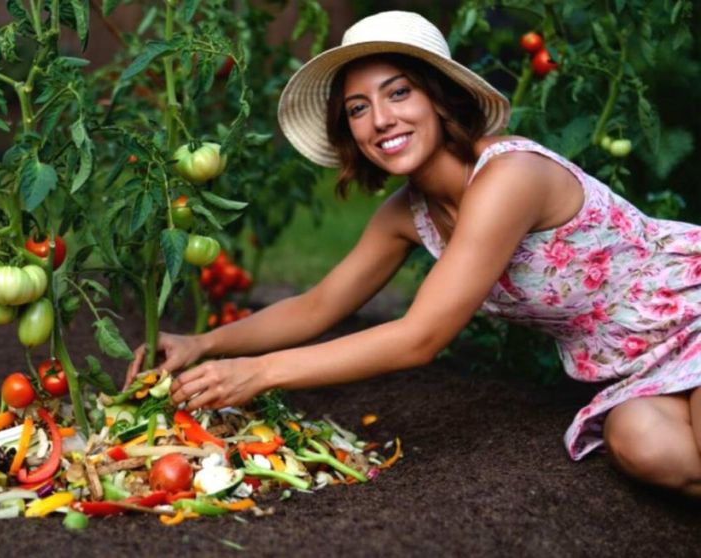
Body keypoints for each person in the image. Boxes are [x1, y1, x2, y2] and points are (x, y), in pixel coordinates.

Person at [125, 11, 701, 496]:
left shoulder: (510, 176)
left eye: (399, 92)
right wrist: (204, 344)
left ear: (439, 97)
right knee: (647, 450)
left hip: (693, 312)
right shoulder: (407, 214)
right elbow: (318, 305)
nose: (381, 120)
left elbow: (420, 337)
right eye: (357, 108)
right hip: (639, 368)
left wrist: (260, 373)